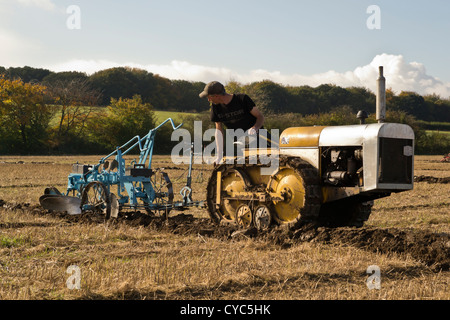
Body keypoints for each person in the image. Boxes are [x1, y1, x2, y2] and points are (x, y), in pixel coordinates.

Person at [199, 81, 266, 164]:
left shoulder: (242, 99)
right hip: (240, 145)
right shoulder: (215, 107)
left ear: (216, 96)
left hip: (260, 140)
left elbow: (260, 117)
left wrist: (255, 128)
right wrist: (219, 156)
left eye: (209, 97)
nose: (209, 100)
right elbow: (219, 131)